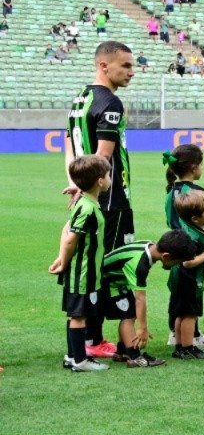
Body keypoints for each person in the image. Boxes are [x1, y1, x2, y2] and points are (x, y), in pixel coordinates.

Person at [65, 39, 136, 359]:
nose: (132, 72)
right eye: (126, 65)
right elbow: (103, 157)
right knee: (111, 265)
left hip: (87, 193)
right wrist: (92, 185)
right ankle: (96, 339)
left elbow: (68, 140)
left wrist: (74, 182)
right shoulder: (110, 102)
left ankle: (93, 338)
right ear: (103, 66)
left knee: (92, 261)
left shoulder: (80, 98)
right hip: (110, 199)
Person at [100, 230, 202, 368]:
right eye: (178, 262)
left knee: (129, 313)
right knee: (129, 316)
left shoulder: (149, 246)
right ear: (166, 256)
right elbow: (140, 299)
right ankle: (134, 357)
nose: (178, 265)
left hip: (115, 281)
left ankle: (122, 351)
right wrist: (142, 328)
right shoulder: (140, 264)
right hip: (104, 282)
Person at [50, 156, 112, 371]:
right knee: (78, 316)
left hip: (87, 272)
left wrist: (61, 258)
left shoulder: (84, 202)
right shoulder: (87, 208)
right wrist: (63, 261)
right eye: (108, 174)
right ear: (100, 181)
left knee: (76, 314)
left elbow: (67, 228)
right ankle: (80, 361)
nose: (109, 178)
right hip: (82, 273)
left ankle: (72, 356)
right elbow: (70, 237)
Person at [163, 144, 204, 353]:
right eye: (201, 164)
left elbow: (169, 220)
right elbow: (201, 221)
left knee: (178, 297)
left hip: (174, 247)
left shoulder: (171, 191)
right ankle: (190, 338)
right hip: (191, 250)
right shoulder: (195, 192)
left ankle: (178, 335)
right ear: (194, 167)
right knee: (191, 300)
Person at [167, 190, 204, 359]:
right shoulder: (191, 236)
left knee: (181, 313)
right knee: (190, 314)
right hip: (188, 279)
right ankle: (188, 347)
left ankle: (179, 347)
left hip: (180, 279)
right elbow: (187, 262)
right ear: (195, 218)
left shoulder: (195, 228)